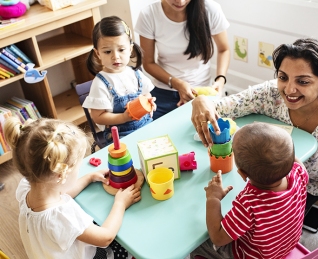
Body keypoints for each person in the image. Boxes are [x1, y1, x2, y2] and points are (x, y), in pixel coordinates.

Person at [191, 38, 318, 259]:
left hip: (308, 187)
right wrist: (201, 101)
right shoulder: (270, 94)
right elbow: (225, 105)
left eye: (303, 81)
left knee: (213, 224)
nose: (289, 89)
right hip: (280, 180)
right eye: (283, 77)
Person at [4, 117, 142, 259]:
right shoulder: (62, 216)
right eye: (78, 168)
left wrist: (88, 178)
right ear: (60, 175)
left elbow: (61, 192)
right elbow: (105, 237)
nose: (79, 170)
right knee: (125, 247)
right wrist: (120, 204)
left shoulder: (26, 187)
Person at [190, 122, 309, 259]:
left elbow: (218, 237)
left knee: (199, 243)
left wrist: (213, 199)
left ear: (242, 174)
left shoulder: (249, 204)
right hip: (283, 248)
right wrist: (283, 154)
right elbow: (295, 162)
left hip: (253, 256)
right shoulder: (299, 173)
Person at [135, 0, 230, 119]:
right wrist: (177, 83)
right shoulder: (149, 15)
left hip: (201, 91)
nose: (180, 1)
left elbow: (224, 49)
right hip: (164, 91)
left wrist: (220, 80)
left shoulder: (211, 10)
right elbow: (148, 63)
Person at [84, 16, 156, 144]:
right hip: (120, 135)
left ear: (130, 49)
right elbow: (98, 117)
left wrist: (149, 103)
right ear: (97, 54)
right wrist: (123, 117)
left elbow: (146, 94)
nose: (115, 57)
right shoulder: (100, 83)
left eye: (121, 50)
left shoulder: (135, 74)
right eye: (107, 52)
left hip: (146, 126)